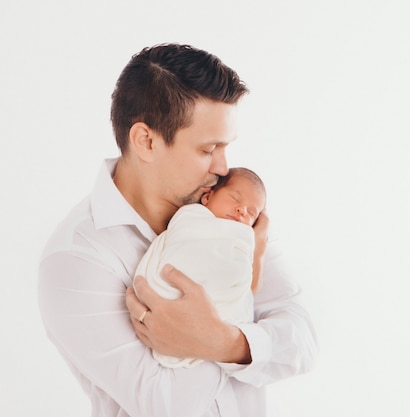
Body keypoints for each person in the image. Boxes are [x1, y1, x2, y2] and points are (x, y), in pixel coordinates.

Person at [38, 43, 318, 417]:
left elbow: (303, 342)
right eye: (208, 149)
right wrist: (242, 330)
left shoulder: (231, 212)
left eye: (226, 147)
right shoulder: (78, 259)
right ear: (146, 141)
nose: (223, 167)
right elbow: (168, 404)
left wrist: (224, 342)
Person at [136, 167, 267, 368]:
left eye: (251, 212)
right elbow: (181, 250)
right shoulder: (191, 219)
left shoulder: (242, 239)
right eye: (235, 198)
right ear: (207, 197)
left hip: (215, 328)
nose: (242, 211)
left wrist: (257, 251)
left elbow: (245, 286)